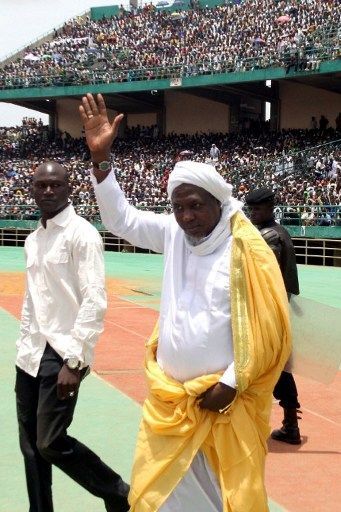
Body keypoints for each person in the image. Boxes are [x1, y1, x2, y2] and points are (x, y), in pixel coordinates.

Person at [80, 93, 291, 511]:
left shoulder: (245, 248)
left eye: (196, 206)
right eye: (178, 207)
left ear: (219, 202)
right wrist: (102, 162)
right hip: (171, 403)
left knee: (225, 499)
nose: (186, 217)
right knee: (166, 499)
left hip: (225, 407)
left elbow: (271, 329)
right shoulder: (175, 234)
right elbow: (121, 220)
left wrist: (231, 383)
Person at [15, 161, 129, 512]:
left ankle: (118, 492)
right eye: (41, 185)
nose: (48, 191)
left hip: (63, 353)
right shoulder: (34, 238)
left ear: (69, 188)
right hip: (31, 353)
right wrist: (23, 346)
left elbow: (94, 299)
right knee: (31, 447)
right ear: (32, 189)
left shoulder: (82, 234)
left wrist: (76, 360)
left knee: (49, 441)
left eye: (55, 185)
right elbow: (32, 301)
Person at [245, 188, 302, 445]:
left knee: (272, 367)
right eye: (251, 209)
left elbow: (262, 276)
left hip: (267, 311)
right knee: (277, 367)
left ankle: (288, 424)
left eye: (257, 209)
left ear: (270, 207)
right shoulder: (280, 232)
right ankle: (289, 422)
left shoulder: (269, 237)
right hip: (276, 309)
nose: (253, 212)